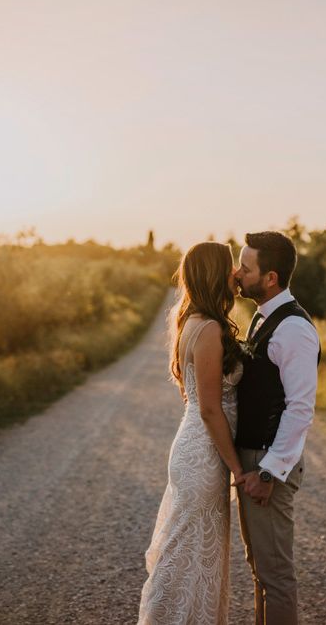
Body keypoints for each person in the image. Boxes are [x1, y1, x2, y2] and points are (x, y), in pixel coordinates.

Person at [138, 242, 244, 625]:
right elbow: (210, 408)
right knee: (190, 550)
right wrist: (237, 467)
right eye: (230, 268)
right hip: (203, 455)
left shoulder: (191, 321)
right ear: (215, 274)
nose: (235, 275)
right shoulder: (211, 328)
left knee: (191, 549)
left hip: (193, 449)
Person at [234, 231, 321, 625]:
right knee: (261, 571)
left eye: (245, 267)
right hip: (254, 459)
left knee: (277, 577)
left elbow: (300, 408)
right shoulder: (264, 316)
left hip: (268, 464)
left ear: (270, 278)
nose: (237, 274)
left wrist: (269, 472)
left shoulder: (294, 330)